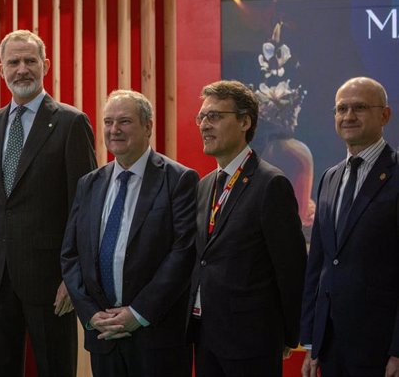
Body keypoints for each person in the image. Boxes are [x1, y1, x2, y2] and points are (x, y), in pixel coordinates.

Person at [0, 29, 97, 377]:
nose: (22, 69)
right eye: (13, 62)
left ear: (46, 65)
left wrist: (74, 277)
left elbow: (84, 208)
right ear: (1, 69)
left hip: (50, 280)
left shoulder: (71, 123)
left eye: (29, 61)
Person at [61, 90, 198, 377]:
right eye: (108, 122)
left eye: (124, 121)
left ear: (148, 126)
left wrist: (137, 314)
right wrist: (90, 314)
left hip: (156, 335)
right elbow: (71, 255)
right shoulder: (89, 183)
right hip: (103, 335)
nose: (114, 130)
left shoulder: (178, 180)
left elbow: (184, 253)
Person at [189, 80, 306, 376]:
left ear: (245, 121)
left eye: (214, 116)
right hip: (205, 337)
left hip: (252, 341)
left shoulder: (271, 184)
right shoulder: (205, 186)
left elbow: (291, 268)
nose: (204, 125)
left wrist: (289, 334)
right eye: (201, 117)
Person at [301, 77, 399, 377]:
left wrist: (398, 350)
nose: (348, 116)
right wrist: (310, 342)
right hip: (331, 348)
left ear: (384, 115)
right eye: (341, 109)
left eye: (359, 108)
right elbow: (318, 265)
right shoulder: (330, 177)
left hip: (381, 351)